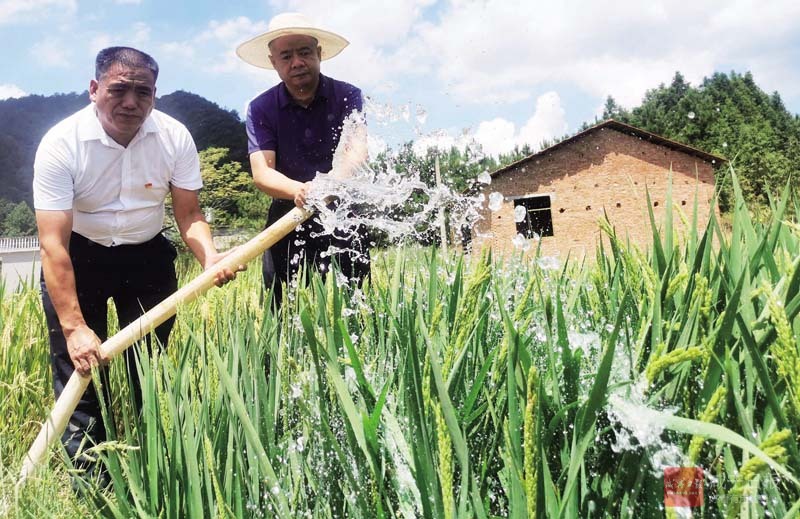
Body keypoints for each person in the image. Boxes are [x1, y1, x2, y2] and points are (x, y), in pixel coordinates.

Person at [32, 46, 240, 479]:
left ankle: (154, 465)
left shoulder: (174, 137)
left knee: (150, 366)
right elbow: (53, 244)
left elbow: (189, 215)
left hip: (146, 256)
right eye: (119, 89)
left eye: (141, 92)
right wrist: (73, 327)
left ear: (154, 96)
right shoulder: (60, 143)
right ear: (94, 89)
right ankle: (93, 482)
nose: (130, 102)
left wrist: (209, 256)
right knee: (81, 368)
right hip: (78, 256)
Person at [236, 12, 371, 305]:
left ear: (319, 54)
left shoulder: (348, 96)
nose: (296, 62)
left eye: (305, 52)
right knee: (282, 307)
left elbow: (357, 151)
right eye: (286, 56)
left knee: (354, 303)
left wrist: (329, 186)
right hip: (287, 213)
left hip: (341, 208)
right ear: (274, 62)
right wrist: (301, 191)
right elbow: (263, 172)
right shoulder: (261, 108)